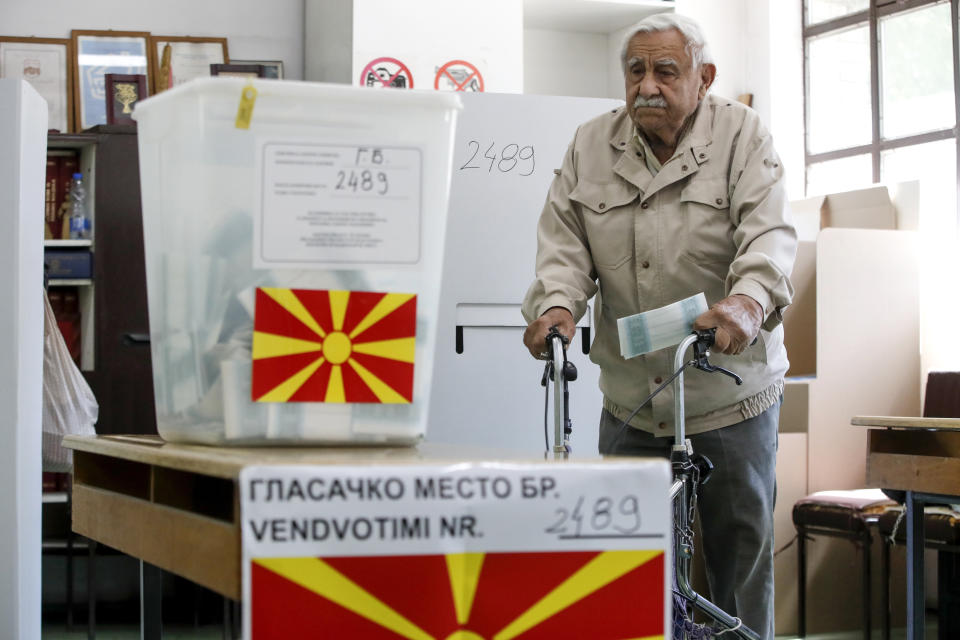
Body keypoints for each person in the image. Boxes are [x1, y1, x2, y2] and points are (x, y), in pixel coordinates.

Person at [521, 12, 796, 638]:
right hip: (632, 399)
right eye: (636, 70)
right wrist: (556, 305)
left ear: (704, 77)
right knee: (627, 572)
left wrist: (747, 303)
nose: (648, 84)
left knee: (736, 567)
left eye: (666, 71)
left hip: (729, 395)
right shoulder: (591, 144)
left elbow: (770, 236)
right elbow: (564, 243)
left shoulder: (743, 136)